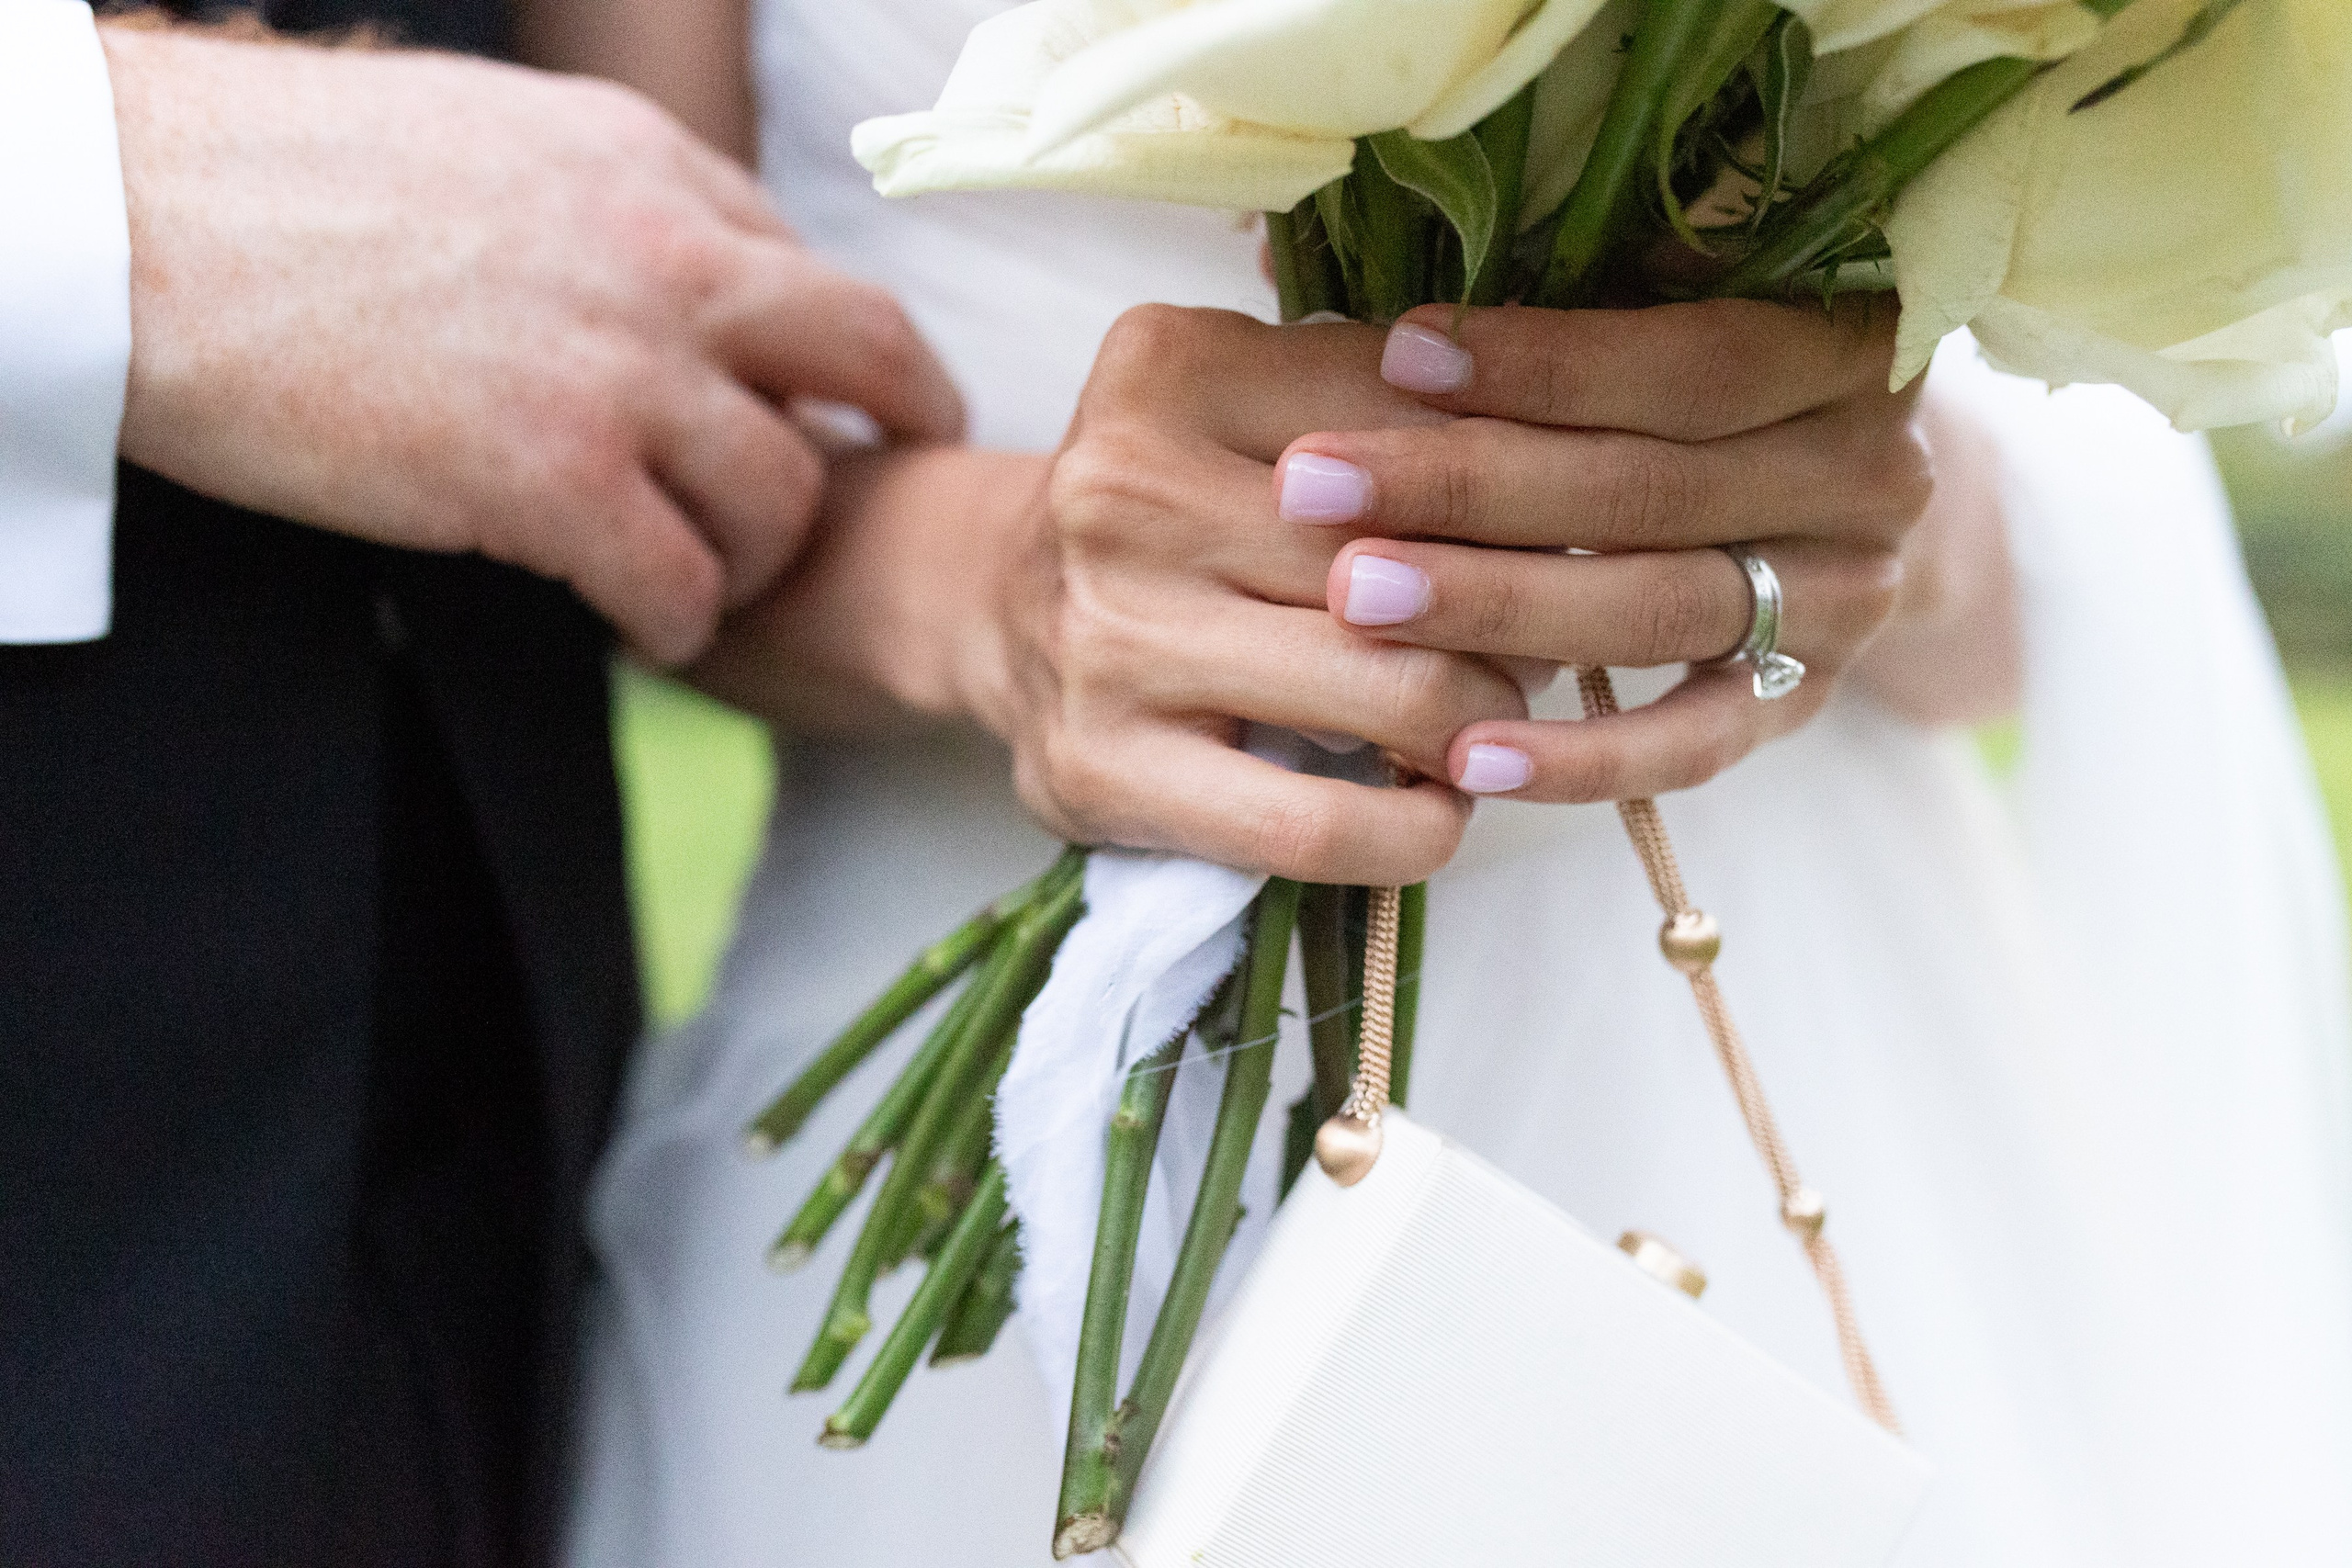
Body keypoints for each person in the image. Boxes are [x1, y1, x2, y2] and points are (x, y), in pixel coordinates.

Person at [0, 5, 1917, 1564]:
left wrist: (1832, 503)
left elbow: (2032, 410)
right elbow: (653, 362)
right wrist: (1011, 589)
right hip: (922, 1049)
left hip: (1755, 993)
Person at [564, 1, 2352, 1565]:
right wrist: (995, 587)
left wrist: (1848, 517)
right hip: (975, 1042)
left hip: (1783, 1021)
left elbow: (2036, 548)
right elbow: (617, 398)